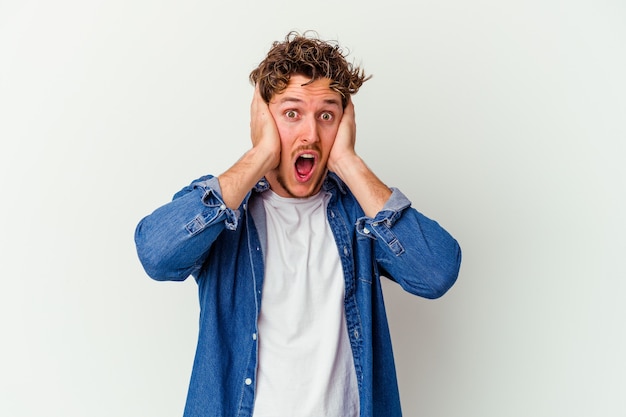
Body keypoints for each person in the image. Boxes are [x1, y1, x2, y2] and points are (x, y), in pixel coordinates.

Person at [134, 31, 461, 417]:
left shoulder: (361, 217)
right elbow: (156, 255)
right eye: (291, 113)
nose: (310, 134)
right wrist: (261, 153)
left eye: (327, 115)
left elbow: (437, 272)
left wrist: (349, 163)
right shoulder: (227, 213)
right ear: (263, 119)